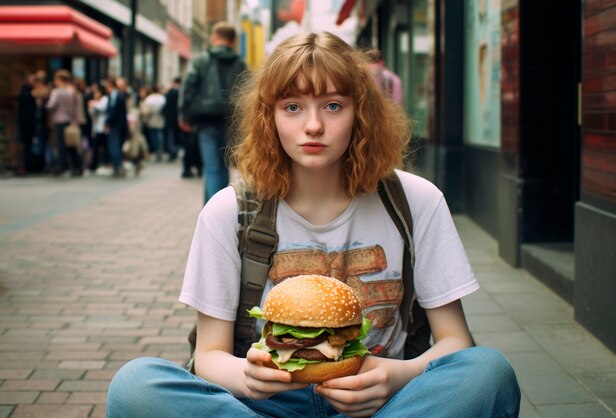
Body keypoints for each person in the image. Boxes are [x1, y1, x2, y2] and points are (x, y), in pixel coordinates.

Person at [107, 32, 520, 417]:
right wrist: (248, 378)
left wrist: (396, 375)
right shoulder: (229, 211)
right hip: (264, 405)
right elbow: (210, 355)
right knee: (136, 386)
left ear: (362, 114)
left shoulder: (416, 201)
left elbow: (454, 342)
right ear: (269, 118)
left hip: (382, 401)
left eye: (333, 105)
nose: (313, 126)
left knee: (488, 371)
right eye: (292, 107)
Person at [179, 21, 248, 203]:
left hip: (206, 119)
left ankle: (215, 215)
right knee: (221, 168)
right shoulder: (240, 64)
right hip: (231, 121)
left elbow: (188, 89)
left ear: (215, 37)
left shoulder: (201, 60)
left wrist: (184, 115)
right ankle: (210, 212)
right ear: (232, 41)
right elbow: (247, 95)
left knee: (212, 168)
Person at [46, 69, 83, 177]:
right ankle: (78, 167)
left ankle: (62, 167)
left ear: (59, 79)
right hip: (70, 121)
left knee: (61, 146)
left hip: (59, 120)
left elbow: (51, 105)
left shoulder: (56, 92)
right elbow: (76, 109)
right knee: (72, 145)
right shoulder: (72, 91)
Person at [104, 76, 128, 177]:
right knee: (115, 146)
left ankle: (118, 166)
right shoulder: (116, 95)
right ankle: (117, 166)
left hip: (116, 125)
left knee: (114, 146)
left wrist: (107, 121)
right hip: (118, 125)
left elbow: (114, 112)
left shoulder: (116, 96)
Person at [140, 85, 166, 162]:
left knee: (153, 136)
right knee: (159, 135)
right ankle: (159, 151)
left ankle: (155, 151)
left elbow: (146, 110)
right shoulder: (162, 98)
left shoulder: (149, 99)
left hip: (151, 119)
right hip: (160, 118)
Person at [87, 83, 109, 173]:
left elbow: (101, 107)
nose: (95, 94)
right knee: (96, 147)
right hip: (96, 128)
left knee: (103, 147)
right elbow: (91, 114)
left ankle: (104, 164)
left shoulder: (105, 99)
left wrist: (94, 104)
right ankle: (94, 165)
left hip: (103, 128)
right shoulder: (95, 101)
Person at [163, 77, 182, 162]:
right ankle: (174, 151)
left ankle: (173, 152)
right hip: (176, 118)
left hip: (170, 118)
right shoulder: (179, 92)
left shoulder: (170, 92)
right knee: (175, 135)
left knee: (171, 135)